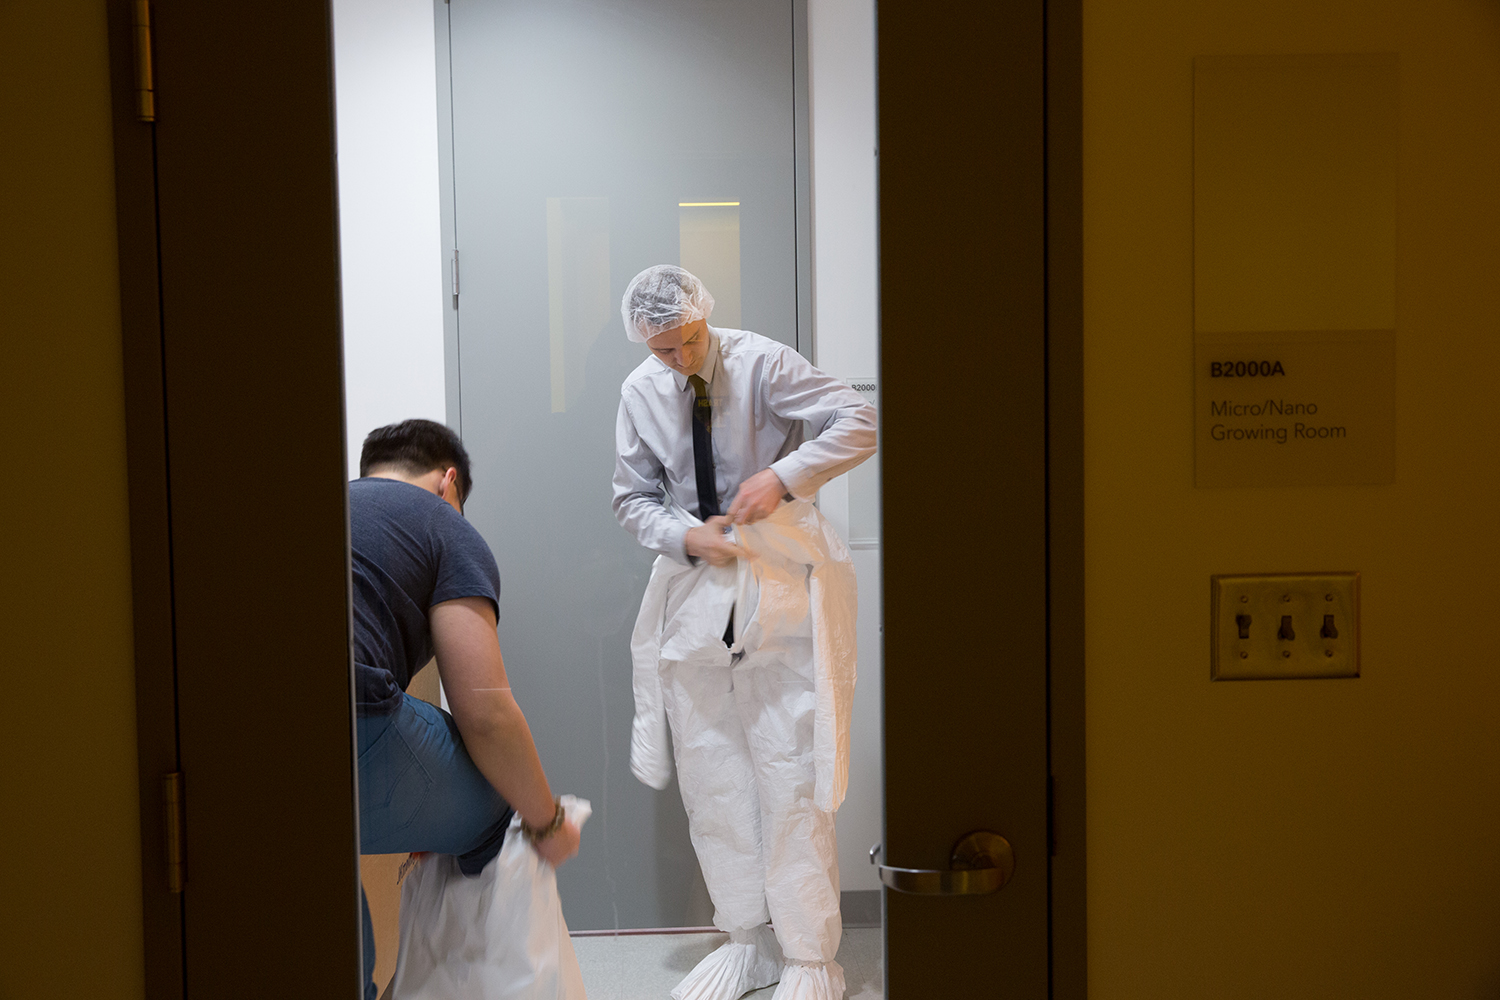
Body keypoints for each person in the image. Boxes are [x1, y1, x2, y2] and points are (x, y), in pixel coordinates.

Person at [612, 266, 876, 1000]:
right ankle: (745, 939)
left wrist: (783, 476)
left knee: (789, 766)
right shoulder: (641, 391)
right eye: (663, 350)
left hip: (782, 574)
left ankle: (809, 954)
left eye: (688, 341)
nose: (680, 359)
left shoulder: (762, 360)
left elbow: (860, 420)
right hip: (701, 579)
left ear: (704, 318)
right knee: (711, 769)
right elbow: (631, 497)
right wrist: (687, 539)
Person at [352, 418, 581, 1000]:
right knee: (502, 794)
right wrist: (545, 820)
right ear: (447, 482)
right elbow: (486, 711)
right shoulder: (443, 526)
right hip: (357, 722)